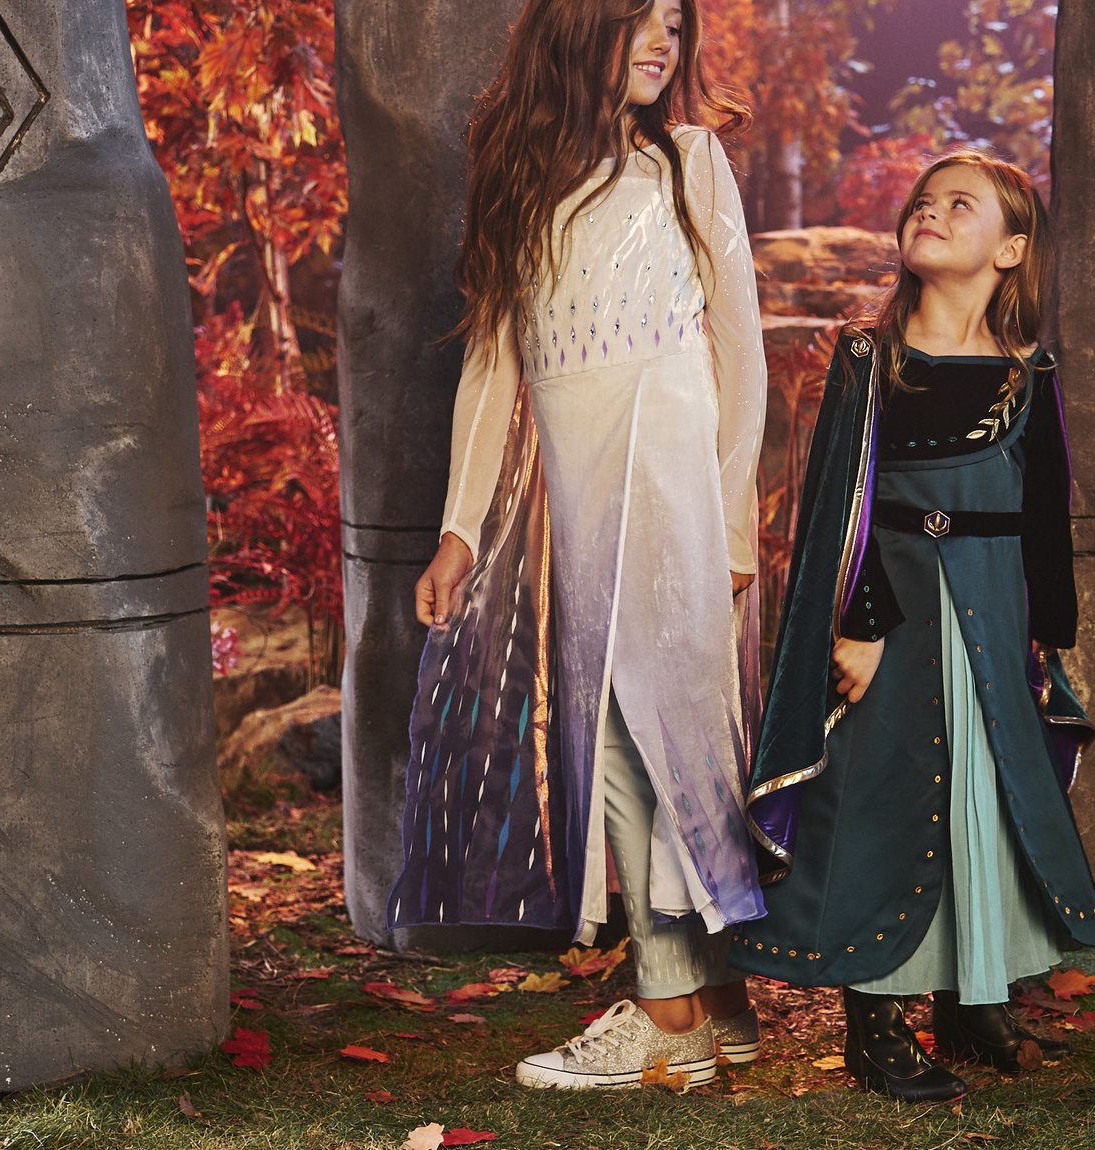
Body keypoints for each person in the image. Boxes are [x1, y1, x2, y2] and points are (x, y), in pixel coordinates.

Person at [393, 0, 767, 1090]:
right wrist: (460, 528)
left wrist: (732, 521)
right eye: (635, 18)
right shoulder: (519, 177)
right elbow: (492, 362)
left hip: (674, 478)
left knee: (656, 732)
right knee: (615, 725)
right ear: (573, 28)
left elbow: (739, 349)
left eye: (673, 24)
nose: (661, 41)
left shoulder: (689, 161)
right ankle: (718, 1005)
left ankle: (668, 1010)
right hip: (585, 490)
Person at [731, 153, 1095, 1102]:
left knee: (987, 794)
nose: (931, 212)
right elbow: (838, 505)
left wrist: (1045, 641)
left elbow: (1044, 514)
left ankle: (974, 1000)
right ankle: (877, 1019)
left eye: (960, 205)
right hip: (895, 612)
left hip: (994, 615)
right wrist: (858, 624)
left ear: (1011, 250)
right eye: (923, 202)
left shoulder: (1028, 375)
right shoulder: (871, 359)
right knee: (885, 795)